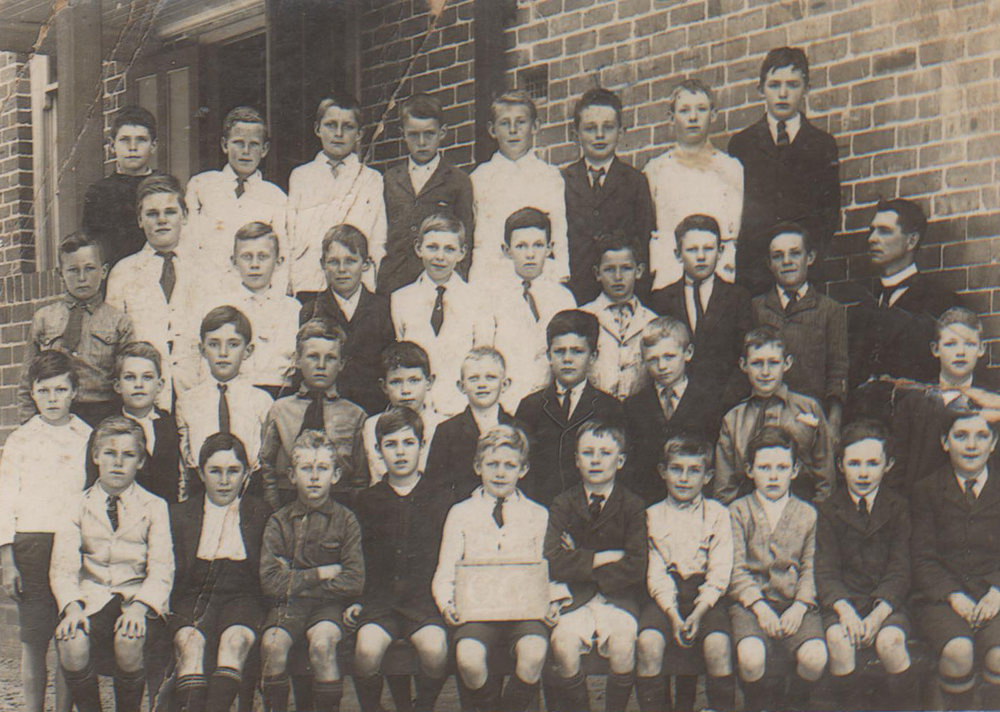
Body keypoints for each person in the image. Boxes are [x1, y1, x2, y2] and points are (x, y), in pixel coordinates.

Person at [432, 425, 569, 712]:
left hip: (524, 611)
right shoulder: (460, 513)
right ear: (477, 466)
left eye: (510, 465)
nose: (500, 472)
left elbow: (550, 571)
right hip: (477, 612)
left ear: (523, 469)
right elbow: (445, 574)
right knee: (468, 657)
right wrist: (447, 605)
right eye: (492, 464)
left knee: (534, 651)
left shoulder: (537, 514)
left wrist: (554, 602)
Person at [50, 416, 174, 712]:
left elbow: (161, 569)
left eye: (128, 455)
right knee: (71, 639)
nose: (118, 463)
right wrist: (72, 607)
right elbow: (62, 568)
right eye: (109, 453)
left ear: (141, 462)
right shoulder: (75, 505)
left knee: (130, 638)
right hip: (92, 598)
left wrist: (140, 607)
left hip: (138, 599)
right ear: (95, 456)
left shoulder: (155, 506)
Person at [0, 351, 91, 712]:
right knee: (34, 641)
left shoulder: (86, 436)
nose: (53, 399)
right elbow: (5, 500)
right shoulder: (21, 440)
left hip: (72, 546)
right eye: (44, 390)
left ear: (74, 391)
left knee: (68, 637)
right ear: (32, 393)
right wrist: (7, 560)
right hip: (31, 546)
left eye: (60, 389)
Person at [347, 407, 453, 712]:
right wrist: (357, 598)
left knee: (434, 650)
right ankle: (373, 707)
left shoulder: (441, 498)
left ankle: (424, 707)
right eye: (390, 445)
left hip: (424, 600)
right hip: (380, 600)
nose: (401, 452)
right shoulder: (367, 501)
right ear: (379, 450)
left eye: (408, 443)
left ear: (422, 445)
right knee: (366, 650)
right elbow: (359, 556)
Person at [546, 419, 648, 712]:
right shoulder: (563, 504)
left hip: (618, 599)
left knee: (623, 644)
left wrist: (579, 557)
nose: (596, 460)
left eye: (605, 452)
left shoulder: (632, 505)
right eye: (588, 452)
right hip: (574, 600)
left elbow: (636, 565)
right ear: (577, 460)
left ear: (621, 461)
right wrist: (605, 556)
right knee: (563, 644)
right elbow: (552, 559)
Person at [259, 430, 364, 712]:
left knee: (322, 643)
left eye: (322, 468)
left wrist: (295, 577)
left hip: (328, 608)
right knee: (271, 644)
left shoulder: (346, 520)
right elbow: (270, 583)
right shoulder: (278, 522)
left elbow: (353, 580)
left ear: (336, 475)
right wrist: (322, 573)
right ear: (292, 475)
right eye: (306, 469)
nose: (315, 477)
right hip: (287, 607)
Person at [815, 420, 916, 711]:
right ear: (840, 465)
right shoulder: (828, 510)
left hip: (888, 604)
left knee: (891, 641)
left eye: (873, 463)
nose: (863, 473)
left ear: (888, 465)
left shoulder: (898, 507)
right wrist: (844, 610)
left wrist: (878, 613)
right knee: (838, 638)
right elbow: (826, 570)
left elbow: (901, 567)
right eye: (854, 463)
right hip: (844, 604)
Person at [169, 433, 272, 712]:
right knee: (190, 644)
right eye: (215, 471)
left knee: (235, 641)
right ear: (201, 473)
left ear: (246, 474)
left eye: (233, 471)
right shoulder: (180, 515)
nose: (224, 480)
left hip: (242, 596)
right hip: (195, 595)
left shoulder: (260, 512)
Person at [728, 426, 827, 712]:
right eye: (764, 467)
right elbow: (736, 570)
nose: (773, 475)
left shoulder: (808, 513)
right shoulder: (738, 511)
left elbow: (810, 567)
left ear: (794, 470)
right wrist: (758, 606)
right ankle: (758, 705)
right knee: (750, 656)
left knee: (815, 657)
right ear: (750, 470)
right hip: (751, 604)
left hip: (795, 603)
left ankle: (791, 704)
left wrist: (800, 605)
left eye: (782, 467)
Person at [728, 46, 840, 294]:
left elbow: (829, 213)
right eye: (774, 84)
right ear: (761, 90)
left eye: (792, 84)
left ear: (806, 89)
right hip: (755, 270)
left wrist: (807, 255)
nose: (782, 93)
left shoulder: (822, 145)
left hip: (804, 271)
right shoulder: (742, 144)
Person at [636, 435, 735, 712]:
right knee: (648, 643)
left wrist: (698, 612)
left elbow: (720, 571)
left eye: (694, 471)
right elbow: (656, 573)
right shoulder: (651, 516)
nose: (684, 478)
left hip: (706, 599)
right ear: (663, 472)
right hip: (665, 598)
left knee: (718, 644)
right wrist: (673, 615)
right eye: (677, 469)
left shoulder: (717, 514)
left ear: (708, 476)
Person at [911, 410, 1000, 710]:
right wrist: (953, 595)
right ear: (945, 442)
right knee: (958, 650)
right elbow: (922, 557)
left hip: (994, 595)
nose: (971, 445)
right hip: (941, 598)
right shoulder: (926, 490)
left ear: (994, 443)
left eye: (981, 436)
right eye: (961, 436)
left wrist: (996, 592)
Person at [849, 197, 963, 416]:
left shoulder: (941, 301)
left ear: (911, 241)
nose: (872, 239)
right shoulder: (863, 306)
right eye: (872, 231)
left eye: (884, 231)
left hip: (916, 421)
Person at [105, 174, 205, 407]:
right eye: (152, 214)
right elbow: (116, 343)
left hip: (196, 389)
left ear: (185, 216)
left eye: (170, 211)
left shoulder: (207, 268)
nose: (162, 220)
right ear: (140, 220)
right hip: (145, 398)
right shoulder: (124, 272)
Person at [19, 233, 134, 426]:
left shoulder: (118, 321)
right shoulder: (44, 318)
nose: (82, 278)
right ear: (60, 274)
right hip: (54, 413)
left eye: (90, 268)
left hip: (102, 414)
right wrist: (29, 424)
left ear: (104, 271)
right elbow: (27, 378)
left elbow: (127, 376)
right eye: (73, 270)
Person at [714, 326, 835, 505]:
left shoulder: (808, 408)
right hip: (748, 516)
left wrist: (814, 514)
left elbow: (825, 477)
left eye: (773, 362)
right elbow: (724, 488)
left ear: (786, 363)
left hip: (803, 511)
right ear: (743, 364)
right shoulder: (733, 419)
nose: (765, 372)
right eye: (757, 363)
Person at [515, 309, 624, 506]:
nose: (567, 359)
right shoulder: (530, 406)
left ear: (593, 356)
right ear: (548, 355)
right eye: (559, 351)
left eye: (577, 351)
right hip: (540, 509)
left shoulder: (610, 408)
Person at [643, 79, 743, 289]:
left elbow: (733, 232)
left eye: (701, 109)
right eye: (684, 110)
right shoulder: (657, 170)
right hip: (671, 277)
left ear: (713, 115)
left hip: (718, 276)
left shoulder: (730, 168)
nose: (693, 117)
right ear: (672, 117)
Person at [391, 212, 491, 417]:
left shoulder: (478, 300)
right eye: (432, 247)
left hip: (461, 409)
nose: (440, 257)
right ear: (419, 248)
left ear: (462, 253)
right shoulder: (401, 299)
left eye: (449, 249)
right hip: (416, 410)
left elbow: (481, 359)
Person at [259, 320, 368, 509]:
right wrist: (276, 510)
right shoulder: (280, 410)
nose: (321, 365)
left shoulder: (355, 415)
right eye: (313, 357)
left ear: (341, 363)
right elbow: (266, 466)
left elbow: (360, 477)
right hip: (288, 500)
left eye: (331, 358)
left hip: (338, 501)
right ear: (298, 360)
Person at [288, 93, 386, 301]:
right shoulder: (301, 176)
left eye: (348, 127)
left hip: (355, 286)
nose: (339, 133)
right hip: (309, 282)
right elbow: (291, 234)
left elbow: (378, 238)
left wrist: (371, 283)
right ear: (317, 129)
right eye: (331, 125)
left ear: (359, 134)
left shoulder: (371, 179)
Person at [751, 222, 847, 433]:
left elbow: (837, 369)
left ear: (809, 257)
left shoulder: (830, 309)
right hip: (764, 417)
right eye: (778, 256)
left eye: (795, 253)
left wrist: (834, 422)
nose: (787, 262)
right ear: (769, 263)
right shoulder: (756, 308)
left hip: (810, 417)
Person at [648, 213, 751, 408]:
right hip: (677, 405)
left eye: (709, 248)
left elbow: (745, 355)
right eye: (692, 250)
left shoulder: (738, 298)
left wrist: (724, 401)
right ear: (678, 254)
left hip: (725, 404)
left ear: (720, 251)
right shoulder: (661, 300)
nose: (701, 257)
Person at [890, 306, 995, 496]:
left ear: (981, 348)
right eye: (951, 344)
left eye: (969, 344)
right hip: (924, 511)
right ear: (935, 349)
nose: (960, 352)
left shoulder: (993, 404)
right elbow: (898, 472)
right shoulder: (913, 403)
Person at [564, 87, 654, 303]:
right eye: (590, 128)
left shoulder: (635, 181)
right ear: (576, 134)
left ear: (620, 132)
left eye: (608, 127)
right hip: (577, 290)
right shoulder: (564, 180)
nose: (600, 135)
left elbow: (643, 238)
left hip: (621, 290)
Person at [379, 92, 475, 294]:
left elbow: (465, 239)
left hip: (438, 282)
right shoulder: (390, 179)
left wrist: (456, 283)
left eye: (429, 133)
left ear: (442, 132)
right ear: (403, 133)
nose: (422, 142)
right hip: (395, 282)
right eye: (414, 134)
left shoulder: (458, 180)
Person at [469, 90, 568, 284]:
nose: (513, 130)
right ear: (492, 129)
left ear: (535, 126)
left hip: (540, 275)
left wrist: (561, 273)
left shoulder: (549, 176)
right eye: (505, 123)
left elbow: (558, 229)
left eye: (521, 122)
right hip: (491, 277)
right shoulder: (479, 178)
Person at [185, 106, 288, 288]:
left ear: (264, 149)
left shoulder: (276, 197)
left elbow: (281, 254)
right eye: (238, 143)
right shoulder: (202, 185)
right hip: (207, 287)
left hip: (253, 290)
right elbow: (187, 242)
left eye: (254, 144)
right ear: (225, 144)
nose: (246, 151)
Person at [624, 317, 723, 504]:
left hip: (695, 501)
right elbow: (632, 466)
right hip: (648, 502)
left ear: (688, 352)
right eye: (653, 359)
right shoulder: (634, 406)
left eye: (669, 357)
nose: (662, 366)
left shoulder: (709, 403)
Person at [299, 224, 396, 414]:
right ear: (322, 264)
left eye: (350, 261)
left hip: (373, 406)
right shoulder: (311, 310)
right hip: (326, 406)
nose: (342, 269)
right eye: (334, 262)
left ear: (366, 263)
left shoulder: (383, 308)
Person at [487, 207, 577, 411]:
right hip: (506, 402)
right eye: (521, 246)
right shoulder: (492, 297)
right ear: (506, 250)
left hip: (552, 404)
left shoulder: (563, 297)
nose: (530, 254)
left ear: (550, 248)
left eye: (538, 245)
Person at [175, 306, 273, 492]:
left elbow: (265, 459)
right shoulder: (187, 402)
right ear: (202, 350)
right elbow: (185, 461)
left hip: (248, 490)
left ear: (248, 350)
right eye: (214, 344)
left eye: (233, 344)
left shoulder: (261, 401)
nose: (223, 353)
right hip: (202, 491)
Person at [217, 221, 300, 397]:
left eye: (263, 257)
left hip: (281, 393)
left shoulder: (292, 309)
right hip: (236, 393)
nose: (255, 265)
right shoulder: (222, 306)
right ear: (234, 262)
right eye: (247, 257)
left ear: (278, 262)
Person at [425, 347, 520, 500]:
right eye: (474, 378)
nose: (482, 384)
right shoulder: (447, 432)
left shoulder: (519, 429)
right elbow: (436, 487)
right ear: (461, 386)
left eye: (490, 377)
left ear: (505, 384)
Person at [581, 233, 658, 400]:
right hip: (595, 414)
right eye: (609, 269)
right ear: (597, 273)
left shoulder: (652, 321)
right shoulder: (582, 316)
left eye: (626, 268)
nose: (618, 277)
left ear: (639, 271)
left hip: (639, 415)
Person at [82, 106, 158, 268]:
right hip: (116, 276)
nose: (133, 147)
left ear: (153, 145)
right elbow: (93, 247)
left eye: (141, 140)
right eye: (125, 140)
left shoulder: (164, 186)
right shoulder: (99, 193)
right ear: (111, 146)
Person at [361, 341, 443, 485]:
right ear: (384, 386)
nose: (405, 390)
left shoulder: (442, 425)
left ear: (429, 382)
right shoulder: (372, 425)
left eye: (414, 380)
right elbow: (379, 473)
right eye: (396, 382)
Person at [111, 342, 181, 502]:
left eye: (147, 377)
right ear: (117, 386)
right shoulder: (108, 427)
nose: (139, 384)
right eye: (130, 377)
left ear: (160, 385)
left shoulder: (171, 425)